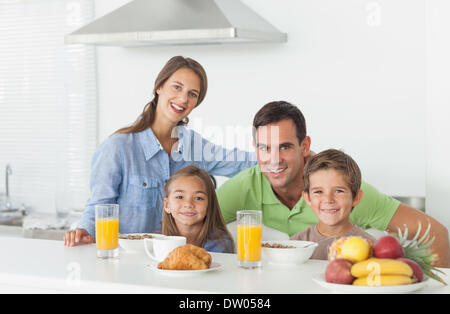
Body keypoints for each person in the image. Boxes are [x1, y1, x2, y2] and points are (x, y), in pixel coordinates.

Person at [217, 101, 450, 267]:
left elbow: (434, 233)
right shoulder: (245, 186)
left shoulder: (341, 190)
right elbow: (189, 221)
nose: (274, 160)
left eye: (285, 147)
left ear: (305, 146)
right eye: (264, 148)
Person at [64, 56, 256, 247]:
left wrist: (276, 155)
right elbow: (100, 206)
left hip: (175, 265)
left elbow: (241, 163)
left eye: (192, 94)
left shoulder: (195, 146)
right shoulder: (118, 148)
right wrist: (86, 231)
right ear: (159, 87)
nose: (183, 99)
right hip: (128, 263)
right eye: (177, 87)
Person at [290, 148, 376, 260]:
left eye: (338, 191)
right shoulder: (295, 245)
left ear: (356, 197)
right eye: (318, 192)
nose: (328, 199)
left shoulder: (372, 248)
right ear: (307, 198)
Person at [159, 165, 234, 253]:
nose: (188, 204)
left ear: (209, 205)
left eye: (198, 198)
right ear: (167, 205)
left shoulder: (219, 244)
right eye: (180, 197)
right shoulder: (156, 239)